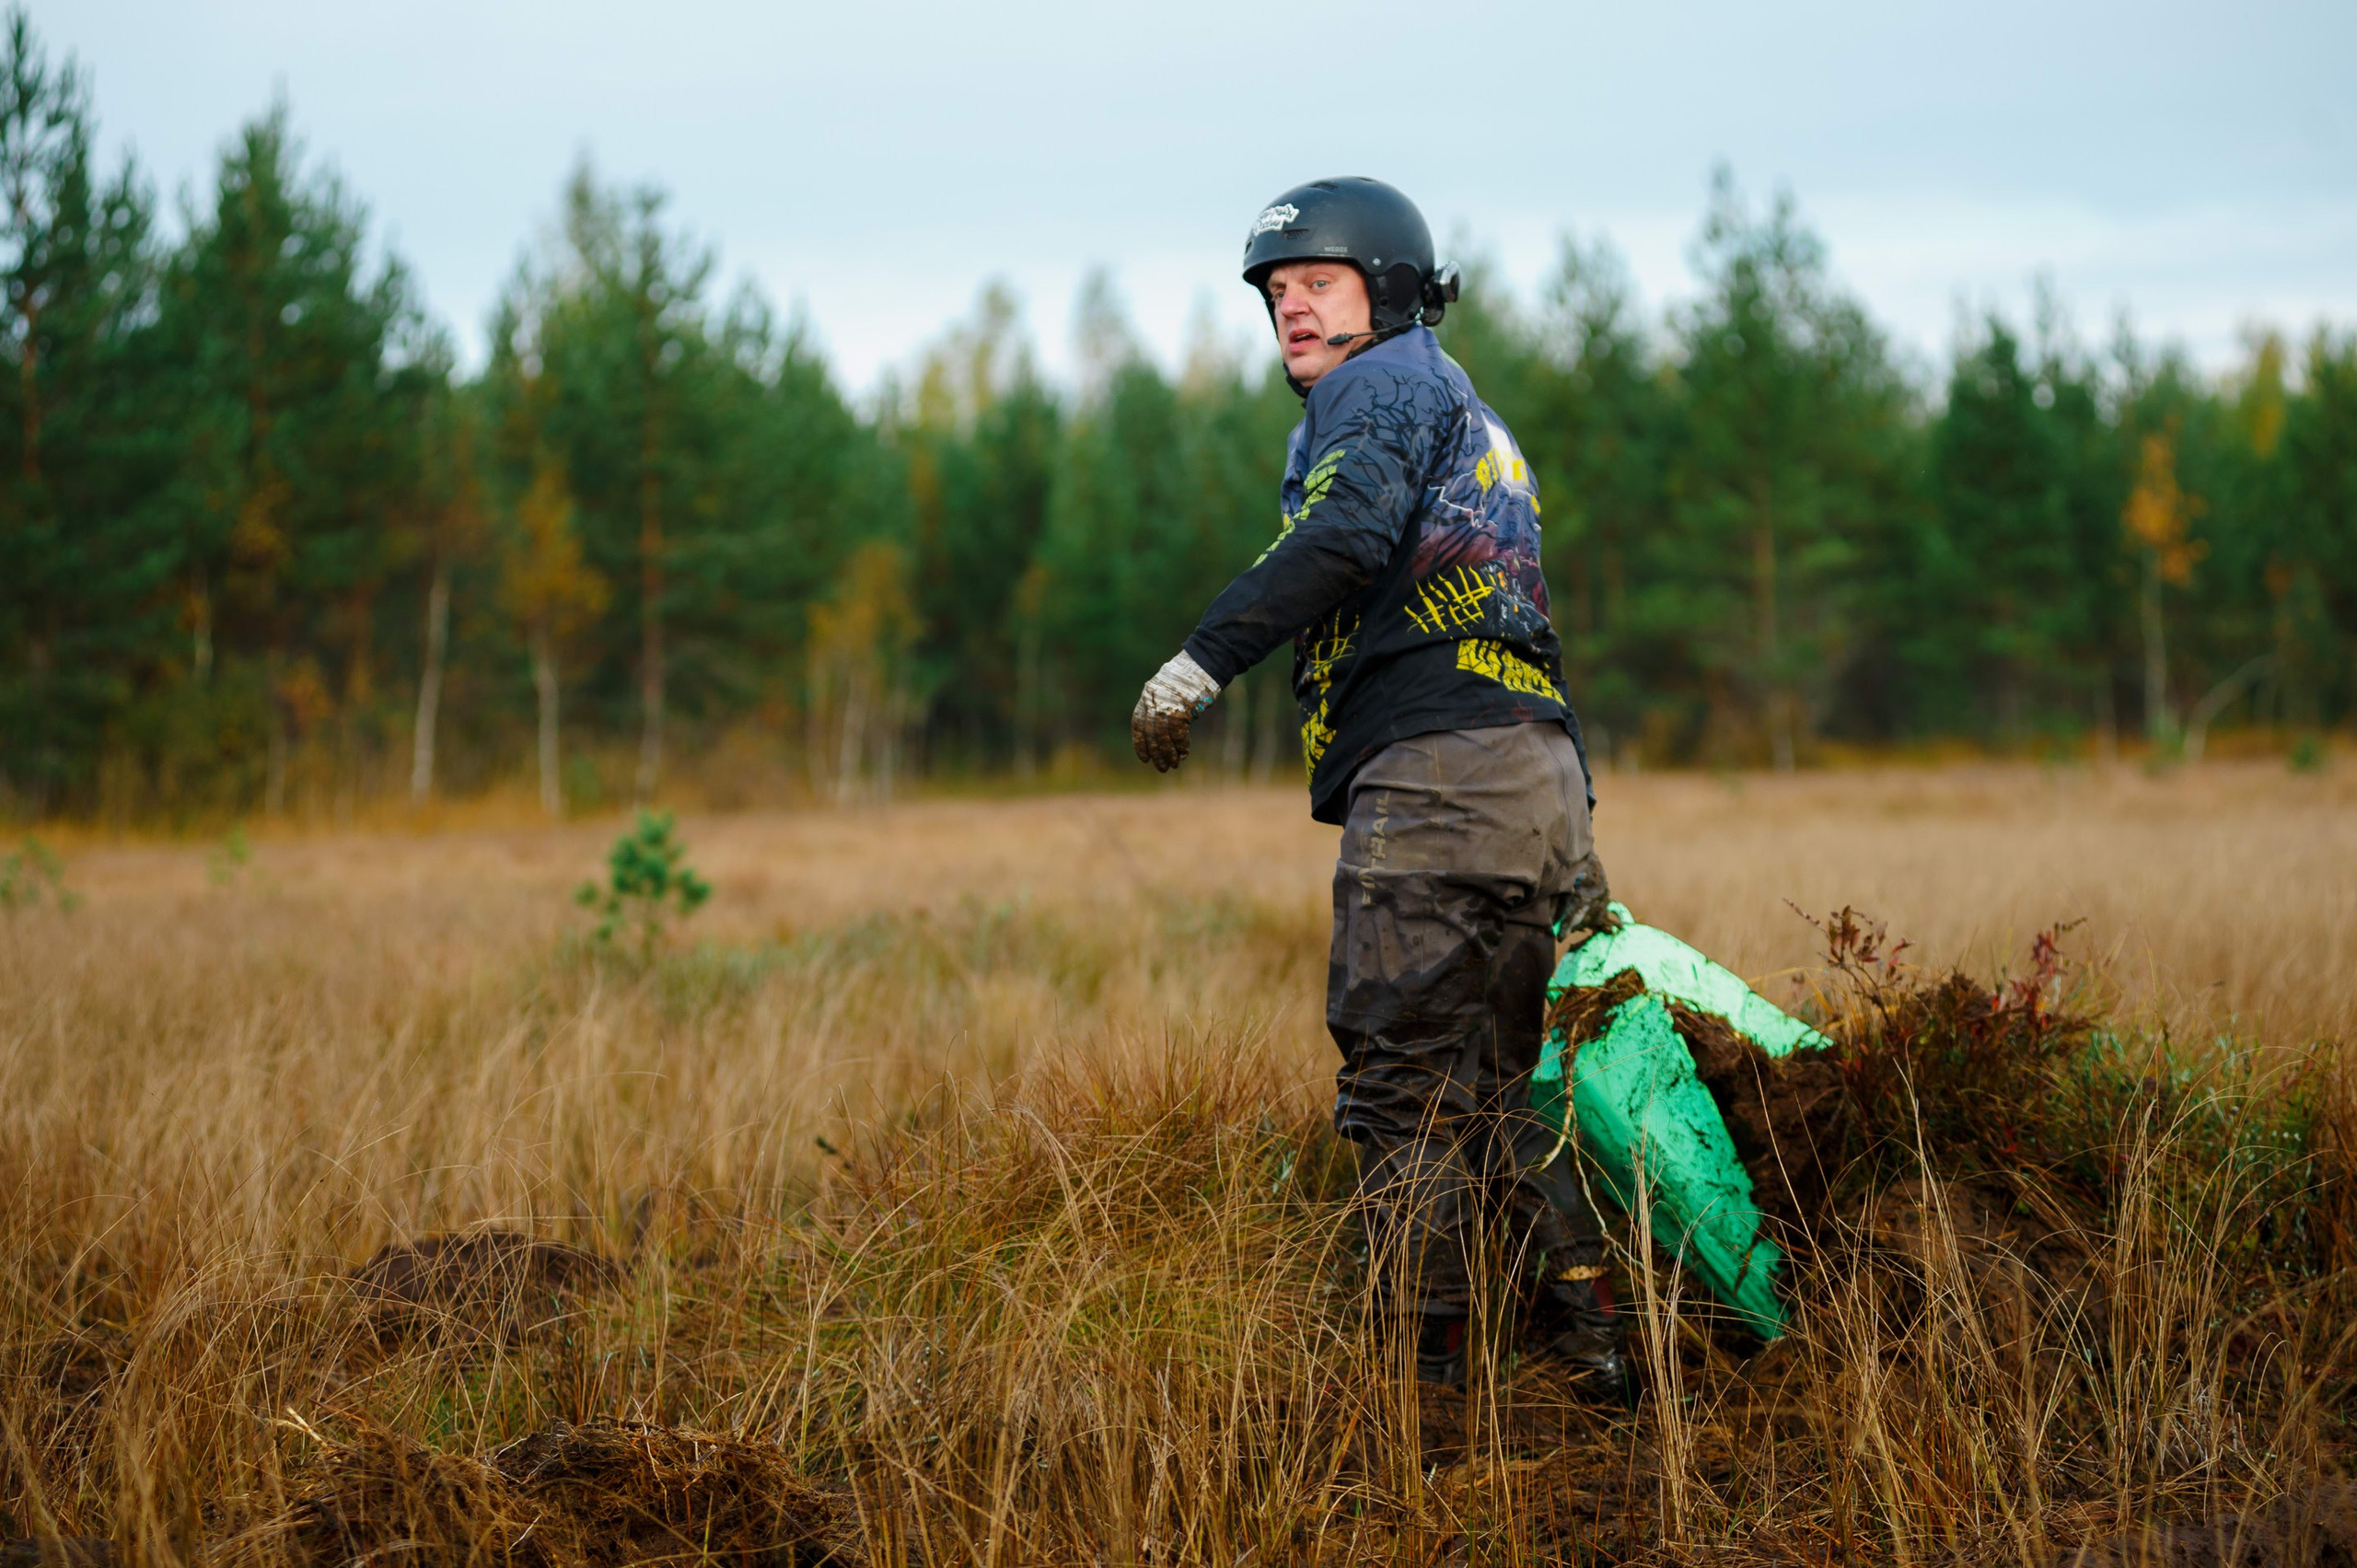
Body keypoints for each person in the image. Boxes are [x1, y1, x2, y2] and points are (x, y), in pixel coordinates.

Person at [1129, 177, 1626, 1398]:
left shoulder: (1383, 384)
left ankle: (1425, 1390)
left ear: (1392, 293)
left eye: (1319, 285)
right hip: (1540, 781)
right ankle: (1600, 1345)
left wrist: (1200, 662)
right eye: (1277, 292)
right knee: (1521, 1084)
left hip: (1441, 781)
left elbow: (1344, 539)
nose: (1292, 311)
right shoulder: (1473, 415)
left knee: (1401, 1091)